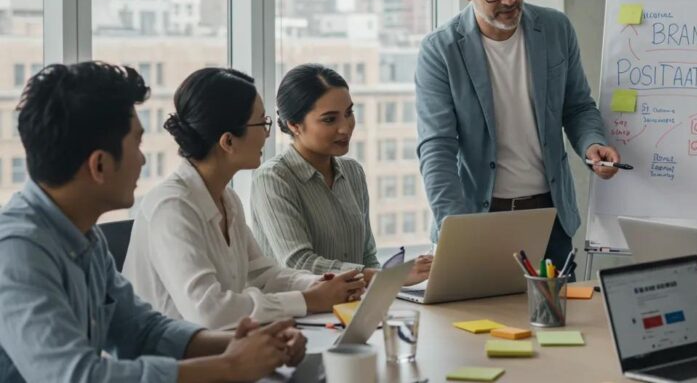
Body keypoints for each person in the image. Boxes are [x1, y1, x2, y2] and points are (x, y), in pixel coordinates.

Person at [0, 62, 306, 382]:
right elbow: (79, 377)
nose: (143, 159)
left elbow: (144, 331)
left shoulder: (83, 237)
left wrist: (250, 346)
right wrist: (229, 366)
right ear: (100, 165)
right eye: (137, 143)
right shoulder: (18, 253)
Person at [415, 0, 620, 270]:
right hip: (481, 219)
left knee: (560, 323)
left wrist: (591, 144)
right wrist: (458, 233)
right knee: (482, 322)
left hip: (551, 219)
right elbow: (437, 150)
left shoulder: (555, 29)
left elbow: (578, 106)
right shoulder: (441, 50)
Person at [123, 68, 367, 331]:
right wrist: (306, 300)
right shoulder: (172, 206)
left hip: (223, 349)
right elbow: (210, 311)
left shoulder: (226, 198)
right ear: (228, 141)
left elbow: (263, 275)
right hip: (174, 362)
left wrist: (321, 284)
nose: (267, 134)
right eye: (262, 124)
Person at [251, 64, 431, 286]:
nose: (345, 128)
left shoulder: (353, 172)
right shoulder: (273, 179)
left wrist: (383, 292)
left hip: (352, 308)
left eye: (349, 113)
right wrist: (388, 277)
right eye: (329, 119)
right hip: (299, 313)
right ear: (294, 125)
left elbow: (367, 256)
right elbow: (299, 263)